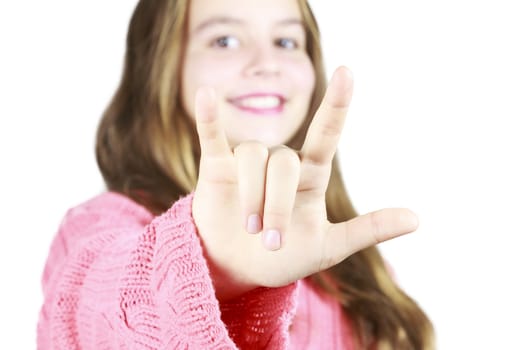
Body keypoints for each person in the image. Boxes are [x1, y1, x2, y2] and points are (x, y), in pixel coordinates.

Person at [38, 0, 435, 348]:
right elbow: (91, 311)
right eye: (224, 40)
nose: (266, 64)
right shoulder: (97, 226)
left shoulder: (361, 269)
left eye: (286, 42)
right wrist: (214, 268)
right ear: (161, 68)